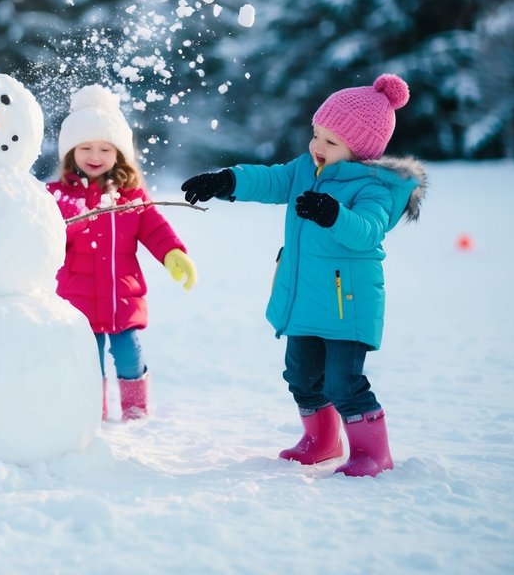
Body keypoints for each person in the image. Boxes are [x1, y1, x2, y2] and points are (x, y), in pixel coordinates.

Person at [180, 74, 426, 477]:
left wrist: (333, 214)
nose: (317, 146)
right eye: (316, 134)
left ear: (360, 149)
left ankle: (372, 453)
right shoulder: (305, 169)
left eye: (331, 142)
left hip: (348, 304)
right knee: (300, 376)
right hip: (305, 298)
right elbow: (271, 179)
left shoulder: (374, 187)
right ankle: (322, 441)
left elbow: (367, 232)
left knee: (343, 383)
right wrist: (226, 181)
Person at [46, 85, 197, 421]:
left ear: (120, 153)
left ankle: (136, 411)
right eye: (85, 147)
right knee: (89, 359)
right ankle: (91, 412)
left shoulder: (131, 196)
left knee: (129, 356)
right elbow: (49, 235)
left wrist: (173, 252)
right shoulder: (57, 196)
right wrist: (76, 219)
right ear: (71, 152)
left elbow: (154, 227)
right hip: (77, 300)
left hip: (122, 297)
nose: (95, 156)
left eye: (105, 148)